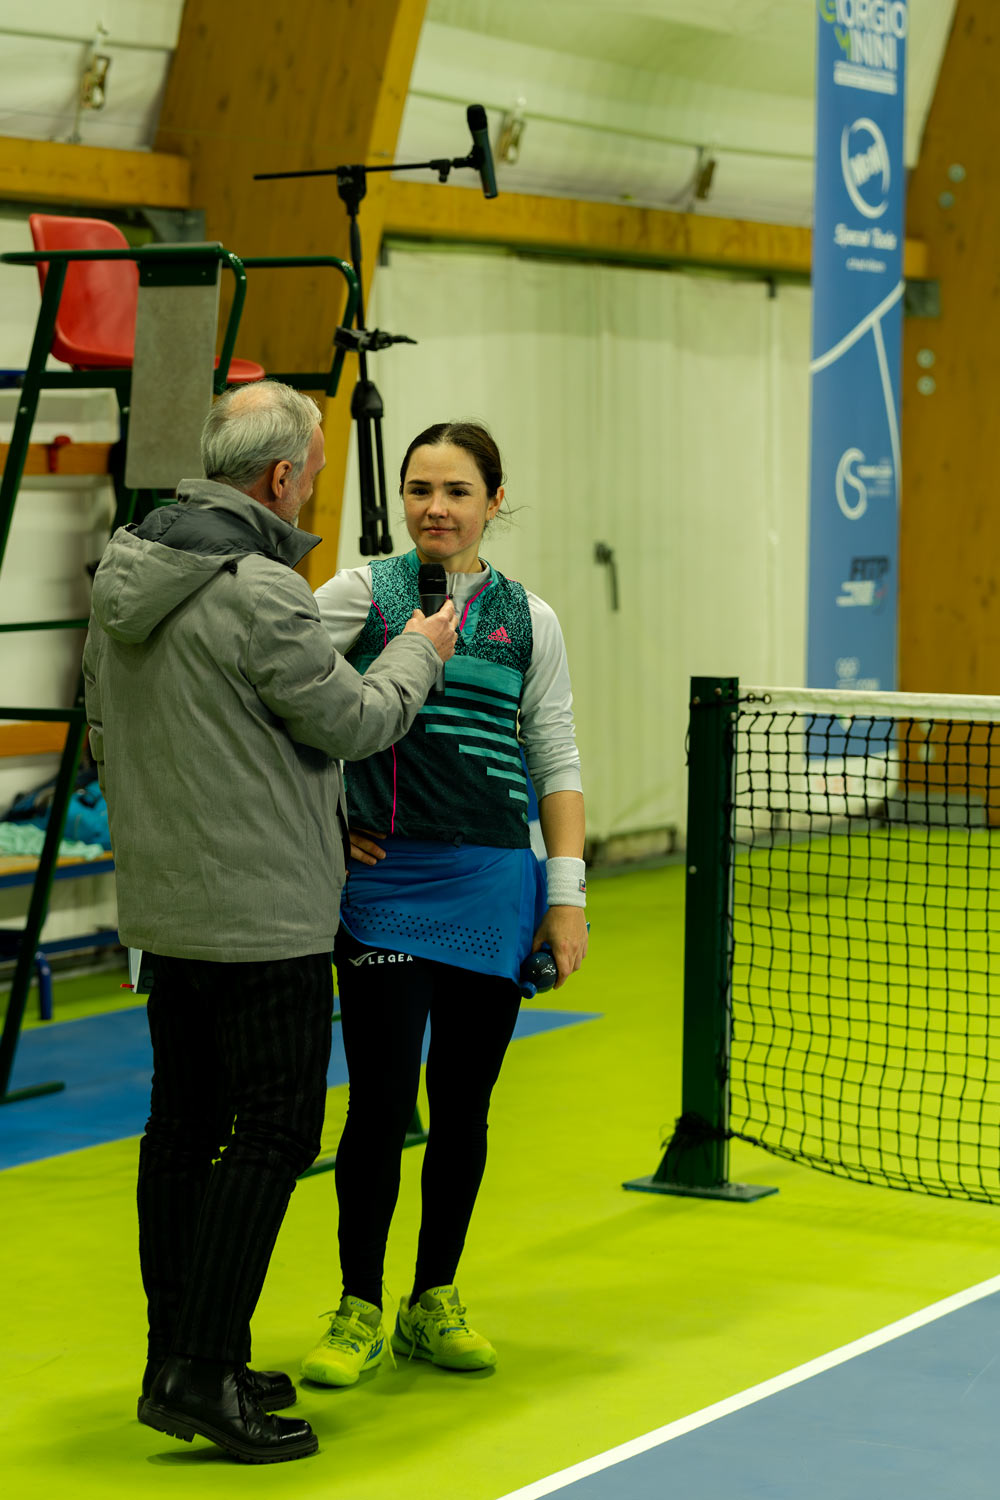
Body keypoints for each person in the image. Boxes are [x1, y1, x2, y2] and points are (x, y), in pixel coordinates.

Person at [82, 382, 457, 1463]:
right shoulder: (262, 591)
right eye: (317, 468)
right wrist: (421, 647)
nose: (317, 484)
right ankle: (204, 1372)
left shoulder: (123, 573)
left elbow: (102, 730)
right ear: (282, 477)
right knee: (277, 1131)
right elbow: (356, 720)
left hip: (167, 911)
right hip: (265, 921)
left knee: (181, 1130)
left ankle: (177, 1358)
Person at [302, 421, 587, 1388]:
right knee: (381, 1105)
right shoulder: (356, 595)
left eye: (458, 491)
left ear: (493, 501)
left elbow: (554, 755)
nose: (437, 508)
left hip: (496, 889)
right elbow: (277, 705)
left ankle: (433, 1300)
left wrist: (565, 896)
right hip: (381, 887)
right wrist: (324, 824)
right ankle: (358, 1307)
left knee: (464, 1107)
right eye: (420, 489)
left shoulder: (530, 619)